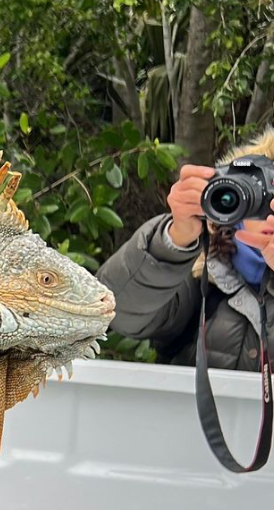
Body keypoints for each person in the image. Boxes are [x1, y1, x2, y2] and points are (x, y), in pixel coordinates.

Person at [98, 128, 274, 368]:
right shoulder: (202, 274)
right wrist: (173, 240)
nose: (271, 214)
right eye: (265, 197)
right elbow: (119, 312)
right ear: (236, 204)